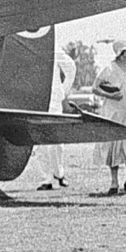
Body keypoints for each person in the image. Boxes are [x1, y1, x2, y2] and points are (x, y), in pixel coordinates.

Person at [92, 39, 126, 195]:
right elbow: (95, 88)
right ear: (121, 53)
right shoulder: (109, 68)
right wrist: (110, 95)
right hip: (114, 112)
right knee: (114, 146)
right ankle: (114, 183)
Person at [35, 46, 77, 190]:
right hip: (35, 102)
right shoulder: (26, 50)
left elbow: (71, 68)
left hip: (53, 101)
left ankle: (59, 174)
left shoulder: (53, 50)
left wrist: (62, 91)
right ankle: (46, 179)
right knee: (39, 143)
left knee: (56, 141)